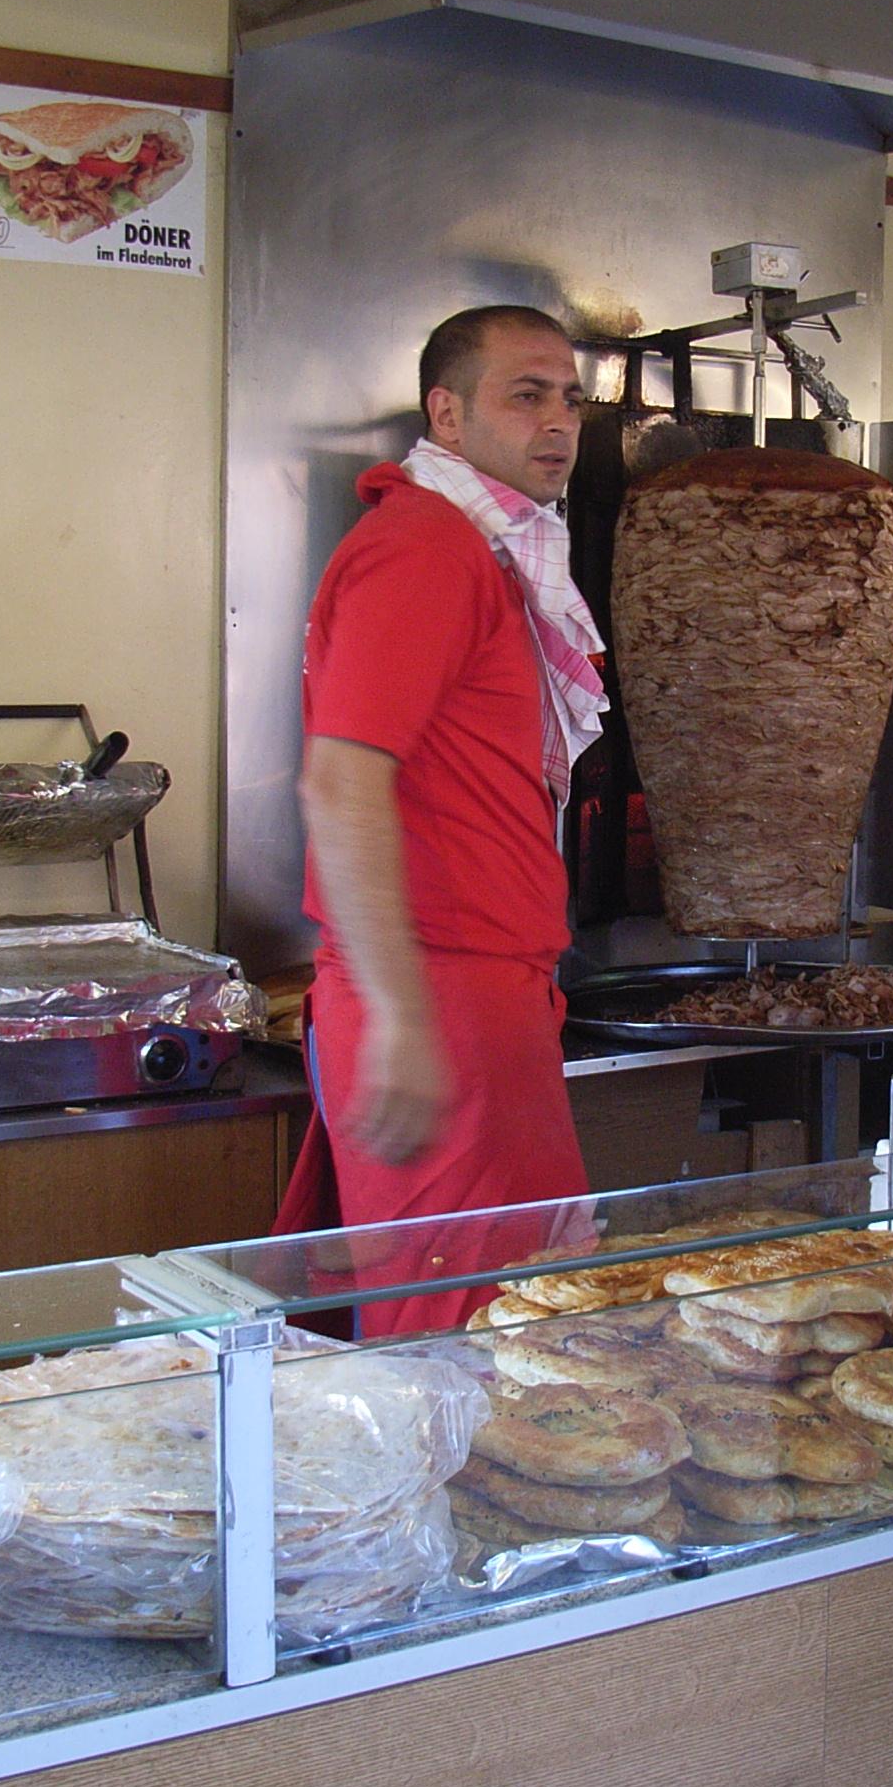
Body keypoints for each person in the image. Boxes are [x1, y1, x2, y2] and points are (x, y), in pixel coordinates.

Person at [284, 304, 604, 1334]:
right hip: (437, 995)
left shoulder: (479, 551)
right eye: (526, 395)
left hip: (478, 996)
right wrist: (402, 1018)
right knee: (467, 1347)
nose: (557, 422)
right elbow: (341, 782)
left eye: (571, 400)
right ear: (447, 414)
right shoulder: (426, 548)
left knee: (515, 1325)